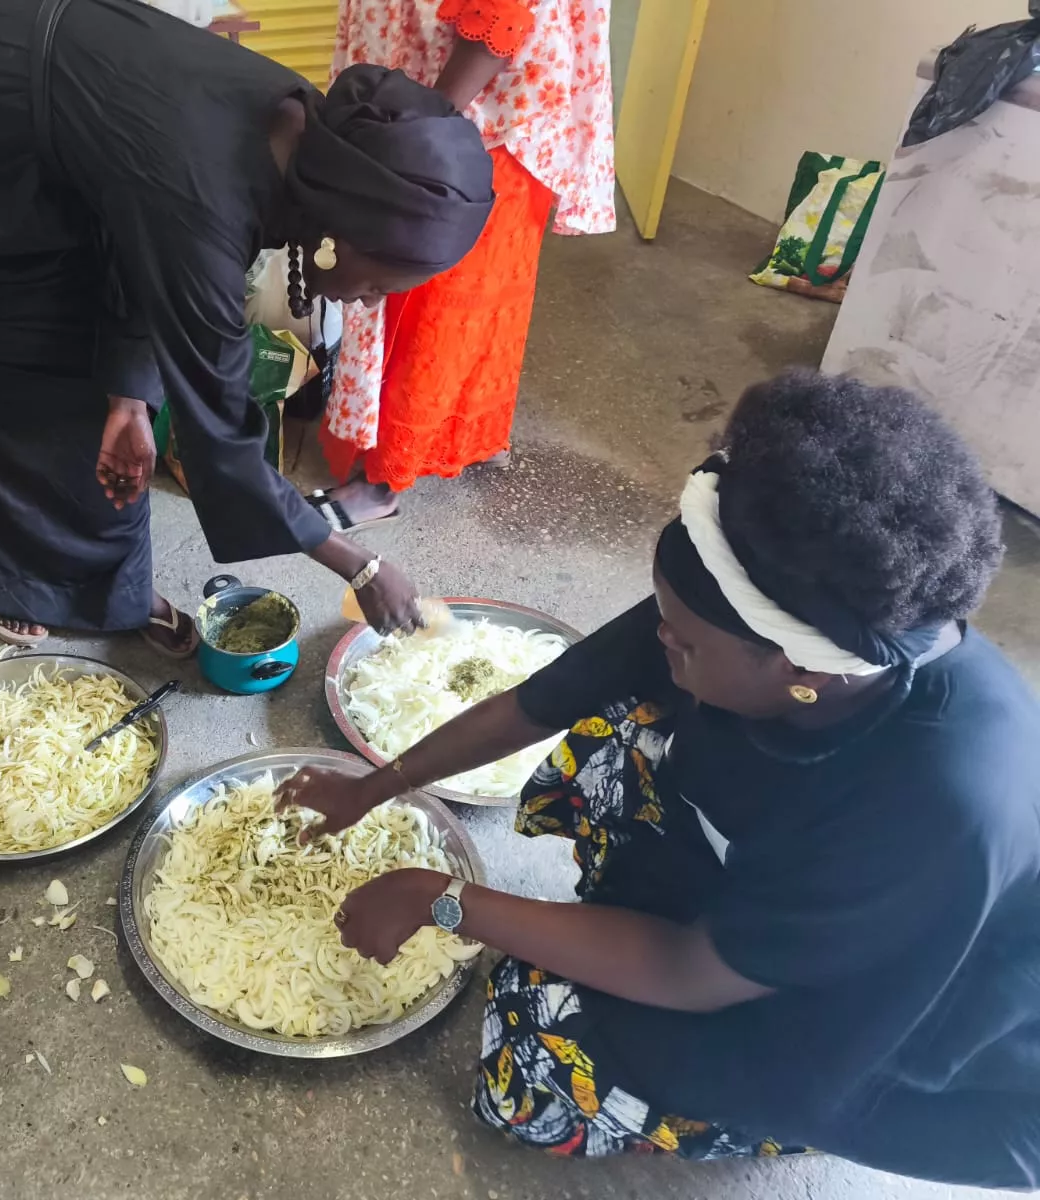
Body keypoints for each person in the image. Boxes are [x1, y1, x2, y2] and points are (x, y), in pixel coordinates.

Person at [278, 370, 1040, 1187]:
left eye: (685, 638)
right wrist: (375, 787)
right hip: (785, 904)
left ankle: (759, 1130)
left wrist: (441, 898)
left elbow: (688, 971)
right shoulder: (777, 601)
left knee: (533, 1033)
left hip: (887, 1040)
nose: (661, 637)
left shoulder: (935, 806)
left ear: (802, 670)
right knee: (615, 737)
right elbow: (545, 699)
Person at [0, 0, 496, 648]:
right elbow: (221, 436)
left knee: (91, 373)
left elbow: (142, 230)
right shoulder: (206, 200)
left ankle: (90, 581)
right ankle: (18, 578)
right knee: (16, 353)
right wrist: (360, 566)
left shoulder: (307, 145)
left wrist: (128, 398)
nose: (365, 304)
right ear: (340, 238)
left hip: (35, 88)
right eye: (378, 286)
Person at [306, 0, 615, 531]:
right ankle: (469, 437)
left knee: (426, 312)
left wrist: (420, 134)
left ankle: (382, 481)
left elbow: (497, 19)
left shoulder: (439, 125)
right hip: (458, 111)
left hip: (469, 122)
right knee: (476, 307)